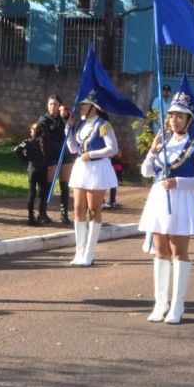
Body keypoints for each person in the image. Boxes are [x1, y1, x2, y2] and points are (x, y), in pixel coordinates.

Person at [139, 91, 194, 324]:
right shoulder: (163, 144)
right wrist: (152, 150)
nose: (174, 120)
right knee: (160, 251)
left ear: (189, 120)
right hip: (159, 198)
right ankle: (161, 303)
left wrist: (178, 182)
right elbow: (146, 172)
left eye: (180, 116)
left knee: (178, 251)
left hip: (181, 200)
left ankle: (177, 305)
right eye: (172, 116)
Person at [65, 91, 119, 266]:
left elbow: (113, 149)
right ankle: (79, 251)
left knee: (94, 210)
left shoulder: (104, 125)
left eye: (84, 104)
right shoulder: (80, 124)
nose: (81, 107)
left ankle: (89, 252)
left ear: (94, 107)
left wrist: (92, 154)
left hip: (97, 168)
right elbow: (74, 149)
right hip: (81, 167)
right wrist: (68, 130)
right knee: (78, 209)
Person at [38, 95, 73, 225]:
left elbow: (70, 129)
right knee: (47, 185)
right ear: (47, 105)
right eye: (51, 104)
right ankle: (42, 212)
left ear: (60, 106)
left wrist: (67, 116)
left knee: (65, 185)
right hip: (51, 156)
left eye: (56, 104)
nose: (53, 107)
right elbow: (45, 138)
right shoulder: (43, 120)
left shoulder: (64, 119)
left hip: (65, 154)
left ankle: (64, 214)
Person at [15, 122, 50, 225]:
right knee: (42, 194)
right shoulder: (46, 143)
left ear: (32, 132)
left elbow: (17, 149)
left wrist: (27, 159)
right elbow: (52, 154)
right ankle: (41, 216)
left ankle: (31, 217)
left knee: (32, 193)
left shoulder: (28, 142)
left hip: (32, 169)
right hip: (43, 169)